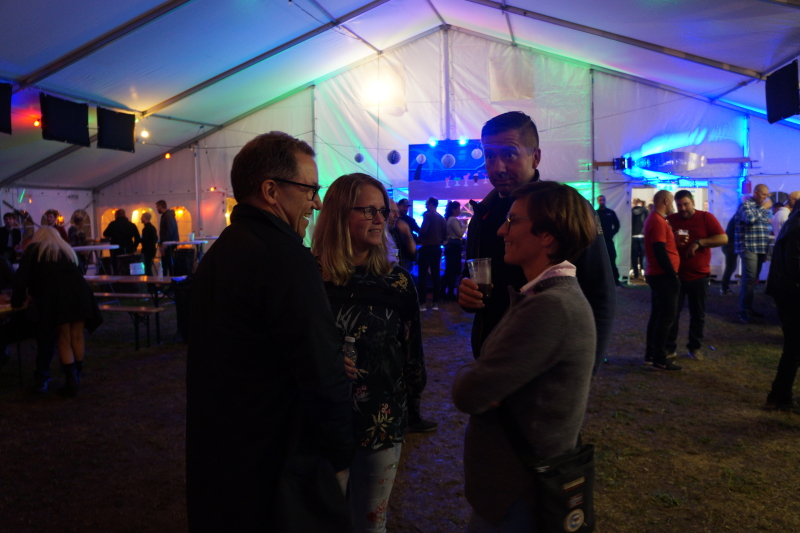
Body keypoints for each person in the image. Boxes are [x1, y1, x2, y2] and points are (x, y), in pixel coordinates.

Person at [186, 132, 354, 532]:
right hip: (279, 466)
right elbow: (320, 369)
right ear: (271, 191)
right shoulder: (285, 256)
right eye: (310, 189)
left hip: (223, 458)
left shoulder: (220, 252)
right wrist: (341, 455)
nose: (316, 202)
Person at [452, 181, 597, 531]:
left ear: (546, 235)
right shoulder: (546, 297)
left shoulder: (550, 307)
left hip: (517, 493)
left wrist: (475, 377)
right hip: (516, 487)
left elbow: (469, 393)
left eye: (513, 221)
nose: (502, 230)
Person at [457, 111, 616, 376]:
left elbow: (600, 294)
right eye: (490, 156)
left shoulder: (565, 212)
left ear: (536, 157)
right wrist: (465, 293)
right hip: (492, 358)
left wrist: (585, 373)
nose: (498, 167)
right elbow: (472, 274)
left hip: (547, 365)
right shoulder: (483, 215)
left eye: (509, 155)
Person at [313, 173, 429, 532]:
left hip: (382, 423)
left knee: (370, 525)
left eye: (383, 211)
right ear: (338, 214)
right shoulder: (309, 278)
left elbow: (412, 355)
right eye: (369, 210)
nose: (380, 219)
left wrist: (409, 406)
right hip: (320, 424)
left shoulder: (398, 282)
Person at [11, 227, 102, 397]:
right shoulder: (66, 250)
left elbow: (21, 279)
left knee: (63, 337)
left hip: (58, 296)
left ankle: (71, 383)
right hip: (80, 294)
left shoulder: (34, 250)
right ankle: (76, 375)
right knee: (77, 336)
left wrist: (16, 301)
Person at [665, 190, 727, 361]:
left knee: (698, 314)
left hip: (699, 275)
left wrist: (699, 242)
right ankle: (669, 347)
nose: (683, 208)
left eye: (686, 204)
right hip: (676, 276)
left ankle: (695, 347)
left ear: (693, 202)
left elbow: (723, 238)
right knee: (672, 313)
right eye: (679, 205)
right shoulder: (670, 220)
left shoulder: (705, 218)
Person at [763, 200, 800, 412]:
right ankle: (781, 397)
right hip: (792, 295)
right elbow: (796, 267)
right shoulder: (797, 227)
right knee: (794, 348)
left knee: (794, 348)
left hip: (787, 292)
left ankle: (778, 394)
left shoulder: (794, 221)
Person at [643, 190, 681, 371]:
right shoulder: (658, 221)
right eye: (672, 201)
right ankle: (659, 357)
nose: (673, 205)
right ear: (666, 200)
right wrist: (672, 275)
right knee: (666, 317)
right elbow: (659, 250)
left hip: (657, 274)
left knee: (658, 315)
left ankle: (652, 354)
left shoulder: (655, 219)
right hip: (662, 275)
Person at [734, 184, 772, 323]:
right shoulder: (746, 205)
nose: (766, 198)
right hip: (748, 247)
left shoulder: (758, 207)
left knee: (753, 279)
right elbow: (750, 220)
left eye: (767, 195)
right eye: (763, 194)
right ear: (755, 193)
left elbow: (764, 226)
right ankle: (743, 311)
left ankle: (748, 308)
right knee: (749, 279)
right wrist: (764, 208)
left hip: (760, 247)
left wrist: (765, 250)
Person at [417, 197, 447, 311]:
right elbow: (445, 236)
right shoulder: (442, 218)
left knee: (423, 275)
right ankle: (435, 303)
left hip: (427, 248)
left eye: (426, 203)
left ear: (430, 204)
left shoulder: (428, 215)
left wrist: (419, 235)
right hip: (437, 248)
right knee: (436, 275)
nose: (425, 205)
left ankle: (422, 303)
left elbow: (423, 231)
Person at [102, 209, 141, 274]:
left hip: (116, 250)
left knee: (116, 267)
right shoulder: (131, 225)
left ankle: (117, 278)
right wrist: (134, 247)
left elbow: (105, 234)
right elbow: (137, 238)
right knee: (129, 267)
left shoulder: (113, 224)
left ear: (116, 215)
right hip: (129, 249)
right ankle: (130, 279)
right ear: (124, 215)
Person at [596, 194, 622, 286]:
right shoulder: (595, 214)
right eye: (600, 200)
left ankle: (615, 280)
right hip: (599, 242)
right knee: (599, 261)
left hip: (608, 241)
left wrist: (611, 233)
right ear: (598, 201)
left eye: (603, 200)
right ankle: (600, 281)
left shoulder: (610, 213)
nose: (601, 201)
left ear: (605, 201)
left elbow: (617, 225)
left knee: (612, 259)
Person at [441, 201, 464, 301]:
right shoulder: (453, 220)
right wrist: (465, 225)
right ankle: (449, 293)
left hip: (450, 247)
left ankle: (443, 292)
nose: (459, 211)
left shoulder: (449, 219)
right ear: (453, 210)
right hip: (454, 248)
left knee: (449, 271)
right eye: (458, 209)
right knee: (452, 271)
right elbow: (460, 234)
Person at [387, 199, 416, 270]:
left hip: (402, 267)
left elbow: (412, 255)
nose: (396, 215)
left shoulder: (409, 221)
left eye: (407, 207)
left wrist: (408, 234)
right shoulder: (379, 233)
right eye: (392, 211)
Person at [156, 200, 179, 276]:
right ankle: (169, 280)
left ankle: (166, 281)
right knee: (168, 264)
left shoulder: (167, 216)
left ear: (160, 206)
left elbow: (170, 230)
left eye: (157, 207)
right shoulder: (168, 215)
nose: (157, 209)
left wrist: (165, 244)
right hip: (169, 244)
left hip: (168, 244)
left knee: (166, 265)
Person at [720, 214, 738, 295]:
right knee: (730, 267)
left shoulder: (737, 216)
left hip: (728, 244)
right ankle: (724, 288)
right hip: (730, 244)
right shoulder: (740, 216)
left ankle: (724, 288)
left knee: (731, 267)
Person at [631, 198, 649, 279]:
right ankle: (644, 272)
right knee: (644, 255)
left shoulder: (631, 211)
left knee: (634, 256)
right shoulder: (645, 210)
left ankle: (636, 273)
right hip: (643, 235)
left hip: (633, 235)